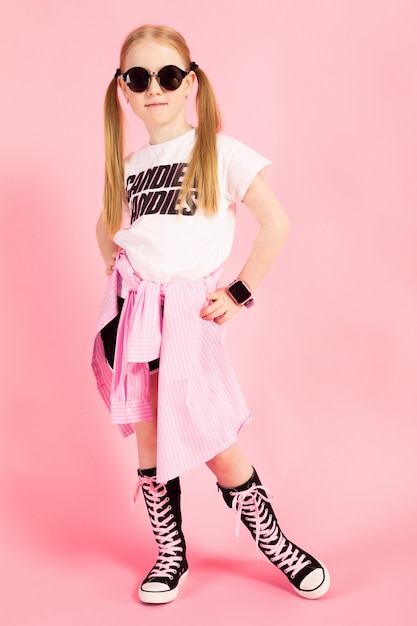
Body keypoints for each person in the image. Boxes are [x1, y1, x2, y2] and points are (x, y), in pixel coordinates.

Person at [92, 23, 330, 605]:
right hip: (138, 314)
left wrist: (240, 291)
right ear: (123, 89)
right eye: (139, 77)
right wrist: (120, 277)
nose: (155, 88)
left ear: (190, 82)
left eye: (168, 76)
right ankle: (170, 552)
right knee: (148, 436)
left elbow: (276, 223)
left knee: (212, 434)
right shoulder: (130, 165)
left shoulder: (218, 151)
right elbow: (107, 228)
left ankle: (273, 540)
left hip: (186, 319)